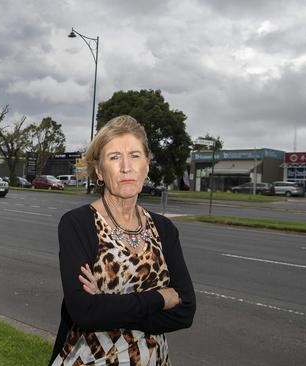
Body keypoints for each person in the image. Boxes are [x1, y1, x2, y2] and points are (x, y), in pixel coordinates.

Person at [49, 115, 196, 365]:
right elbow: (84, 312)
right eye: (114, 157)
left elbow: (185, 312)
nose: (126, 167)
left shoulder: (165, 229)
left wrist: (107, 306)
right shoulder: (78, 224)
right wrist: (160, 298)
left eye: (135, 156)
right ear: (99, 170)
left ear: (147, 166)